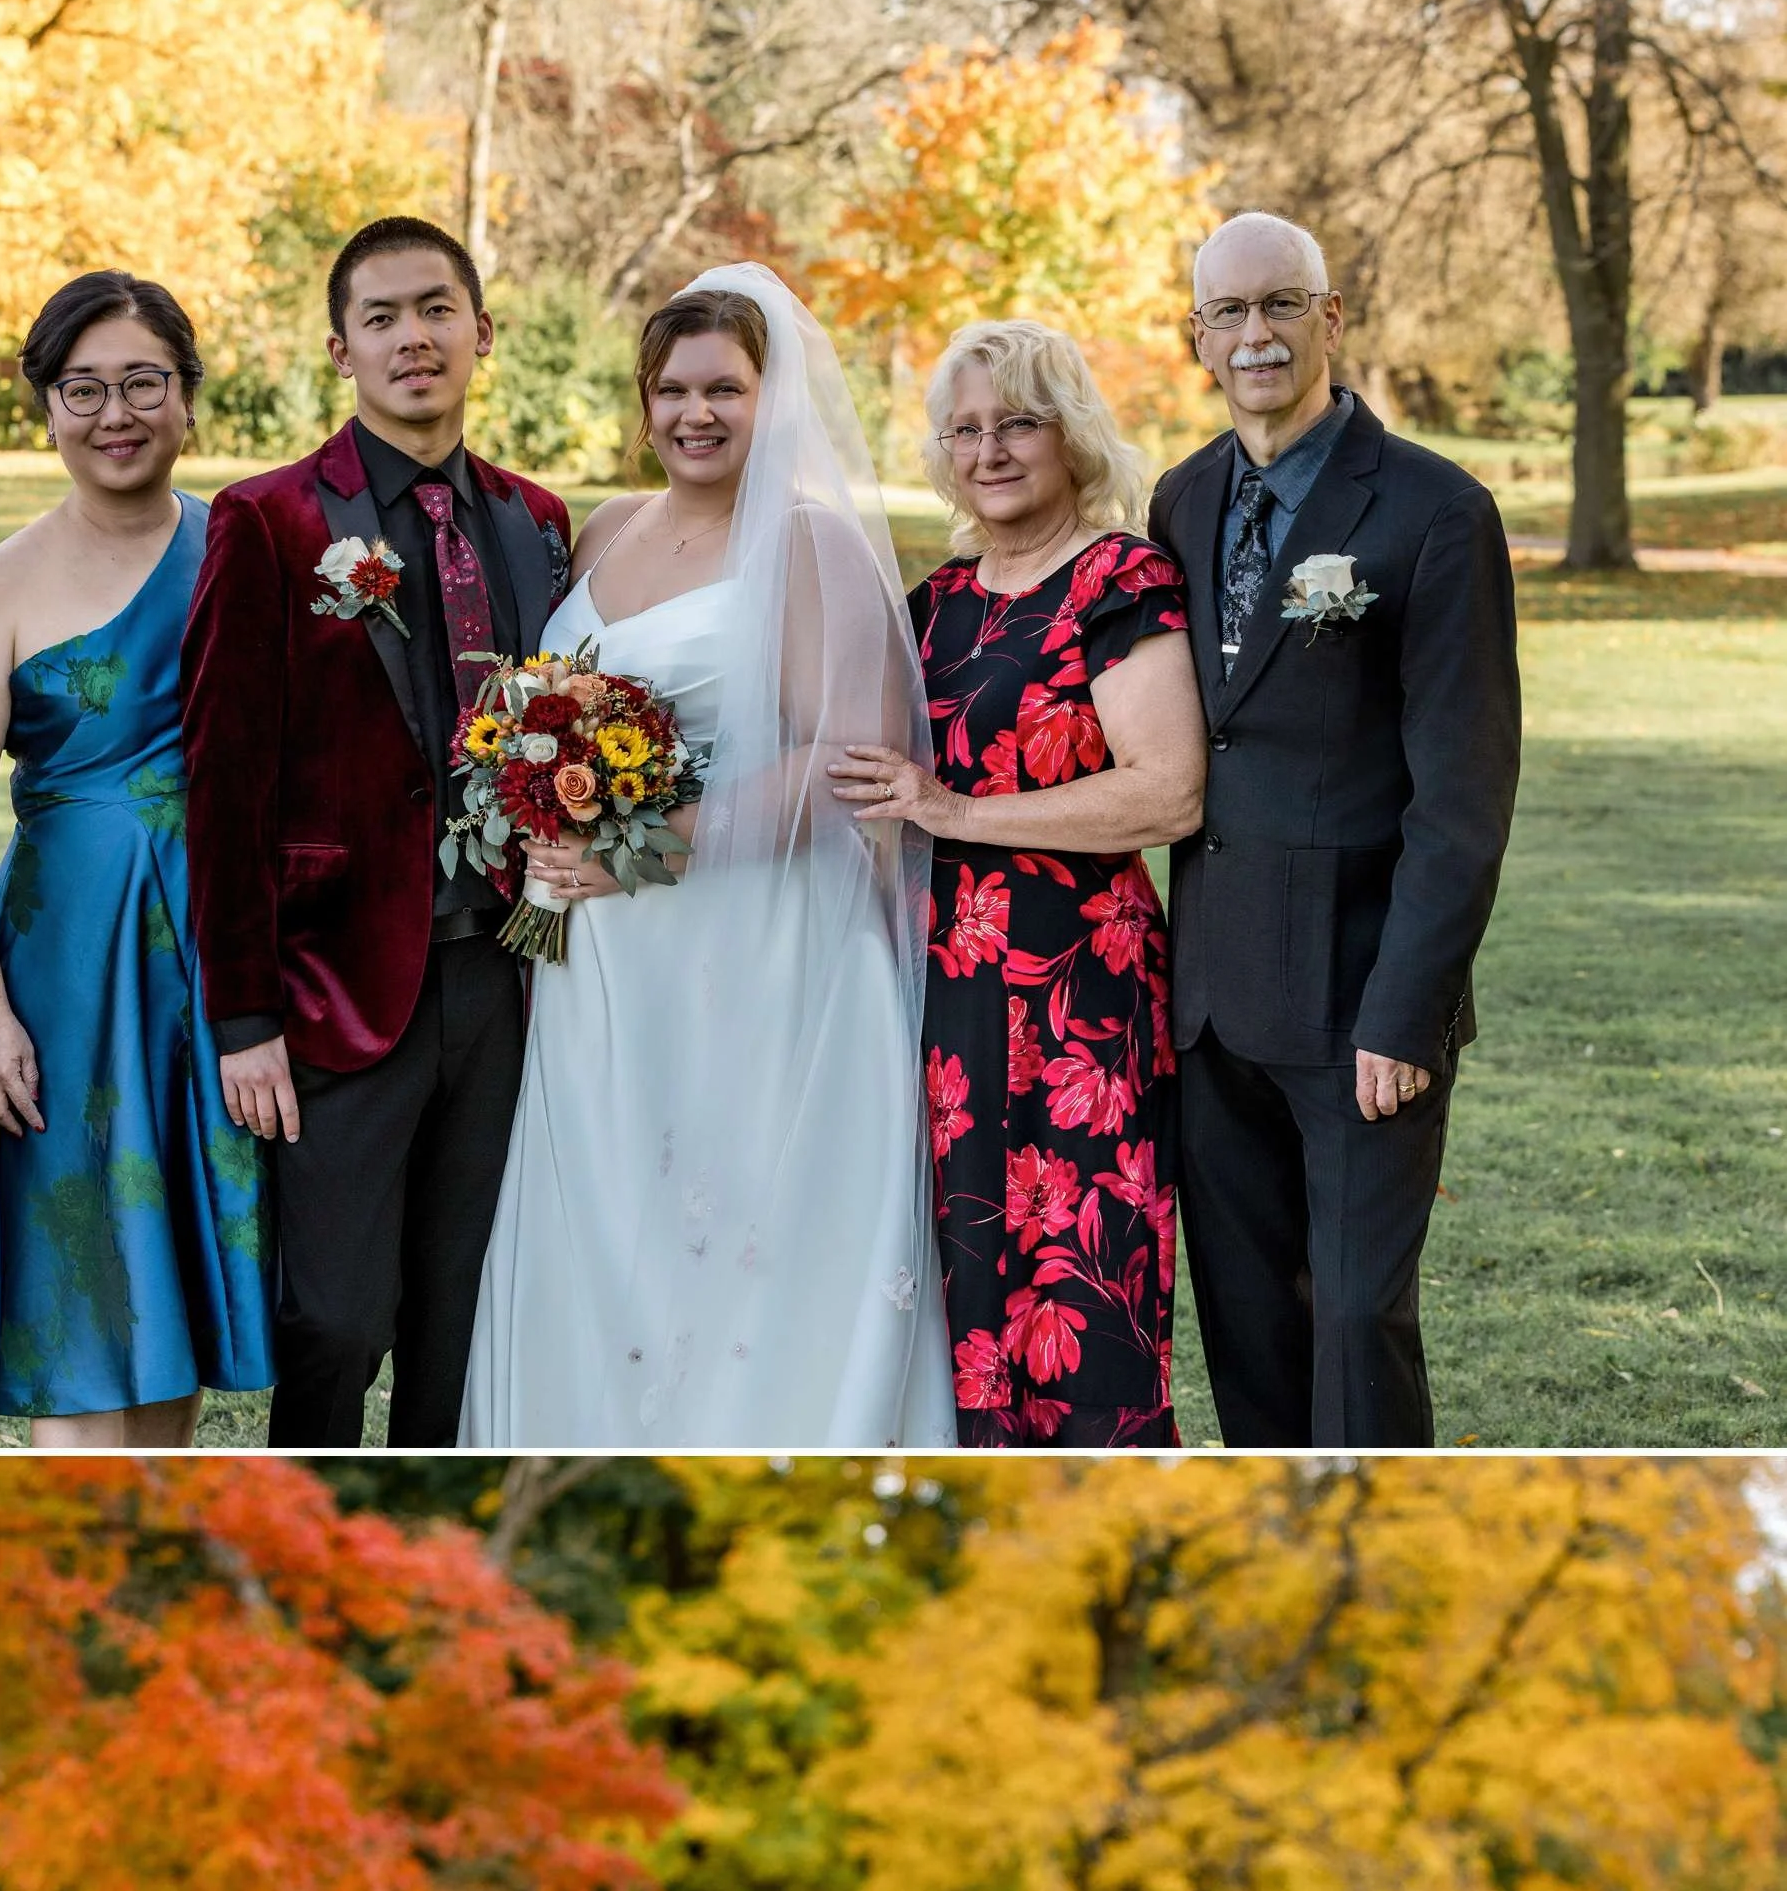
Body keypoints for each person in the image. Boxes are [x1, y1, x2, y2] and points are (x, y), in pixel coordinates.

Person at [462, 270, 948, 1451]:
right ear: (642, 401)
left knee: (739, 1215)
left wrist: (653, 847)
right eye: (671, 388)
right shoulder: (607, 528)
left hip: (754, 943)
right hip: (602, 960)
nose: (696, 412)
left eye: (724, 388)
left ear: (770, 398)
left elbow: (850, 759)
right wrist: (537, 802)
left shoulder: (810, 547)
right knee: (611, 1211)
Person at [181, 218, 572, 1443]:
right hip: (335, 991)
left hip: (509, 983)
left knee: (463, 1320)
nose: (415, 338)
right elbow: (223, 781)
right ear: (342, 348)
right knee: (334, 1321)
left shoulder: (537, 522)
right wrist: (243, 1021)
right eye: (385, 318)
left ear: (481, 332)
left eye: (437, 309)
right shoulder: (270, 521)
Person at [1148, 214, 1522, 1446]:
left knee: (1357, 1322)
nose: (1254, 335)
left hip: (1361, 1010)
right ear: (1196, 336)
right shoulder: (1182, 498)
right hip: (1208, 1005)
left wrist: (1404, 1013)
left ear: (1330, 316)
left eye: (1279, 306)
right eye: (1227, 314)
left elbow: (1461, 798)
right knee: (1248, 1328)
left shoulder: (1433, 510)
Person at [0, 274, 272, 1440]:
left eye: (143, 383)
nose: (117, 413)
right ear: (46, 408)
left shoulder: (243, 550)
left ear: (188, 398)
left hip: (214, 968)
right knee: (74, 1277)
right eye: (85, 388)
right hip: (59, 971)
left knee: (167, 1293)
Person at [829, 321, 1203, 1445]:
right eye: (965, 429)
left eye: (1017, 424)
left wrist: (953, 814)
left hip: (1082, 1003)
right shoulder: (931, 604)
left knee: (1082, 1289)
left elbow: (1169, 792)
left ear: (1071, 434)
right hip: (944, 996)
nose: (989, 450)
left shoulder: (1119, 579)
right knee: (963, 1282)